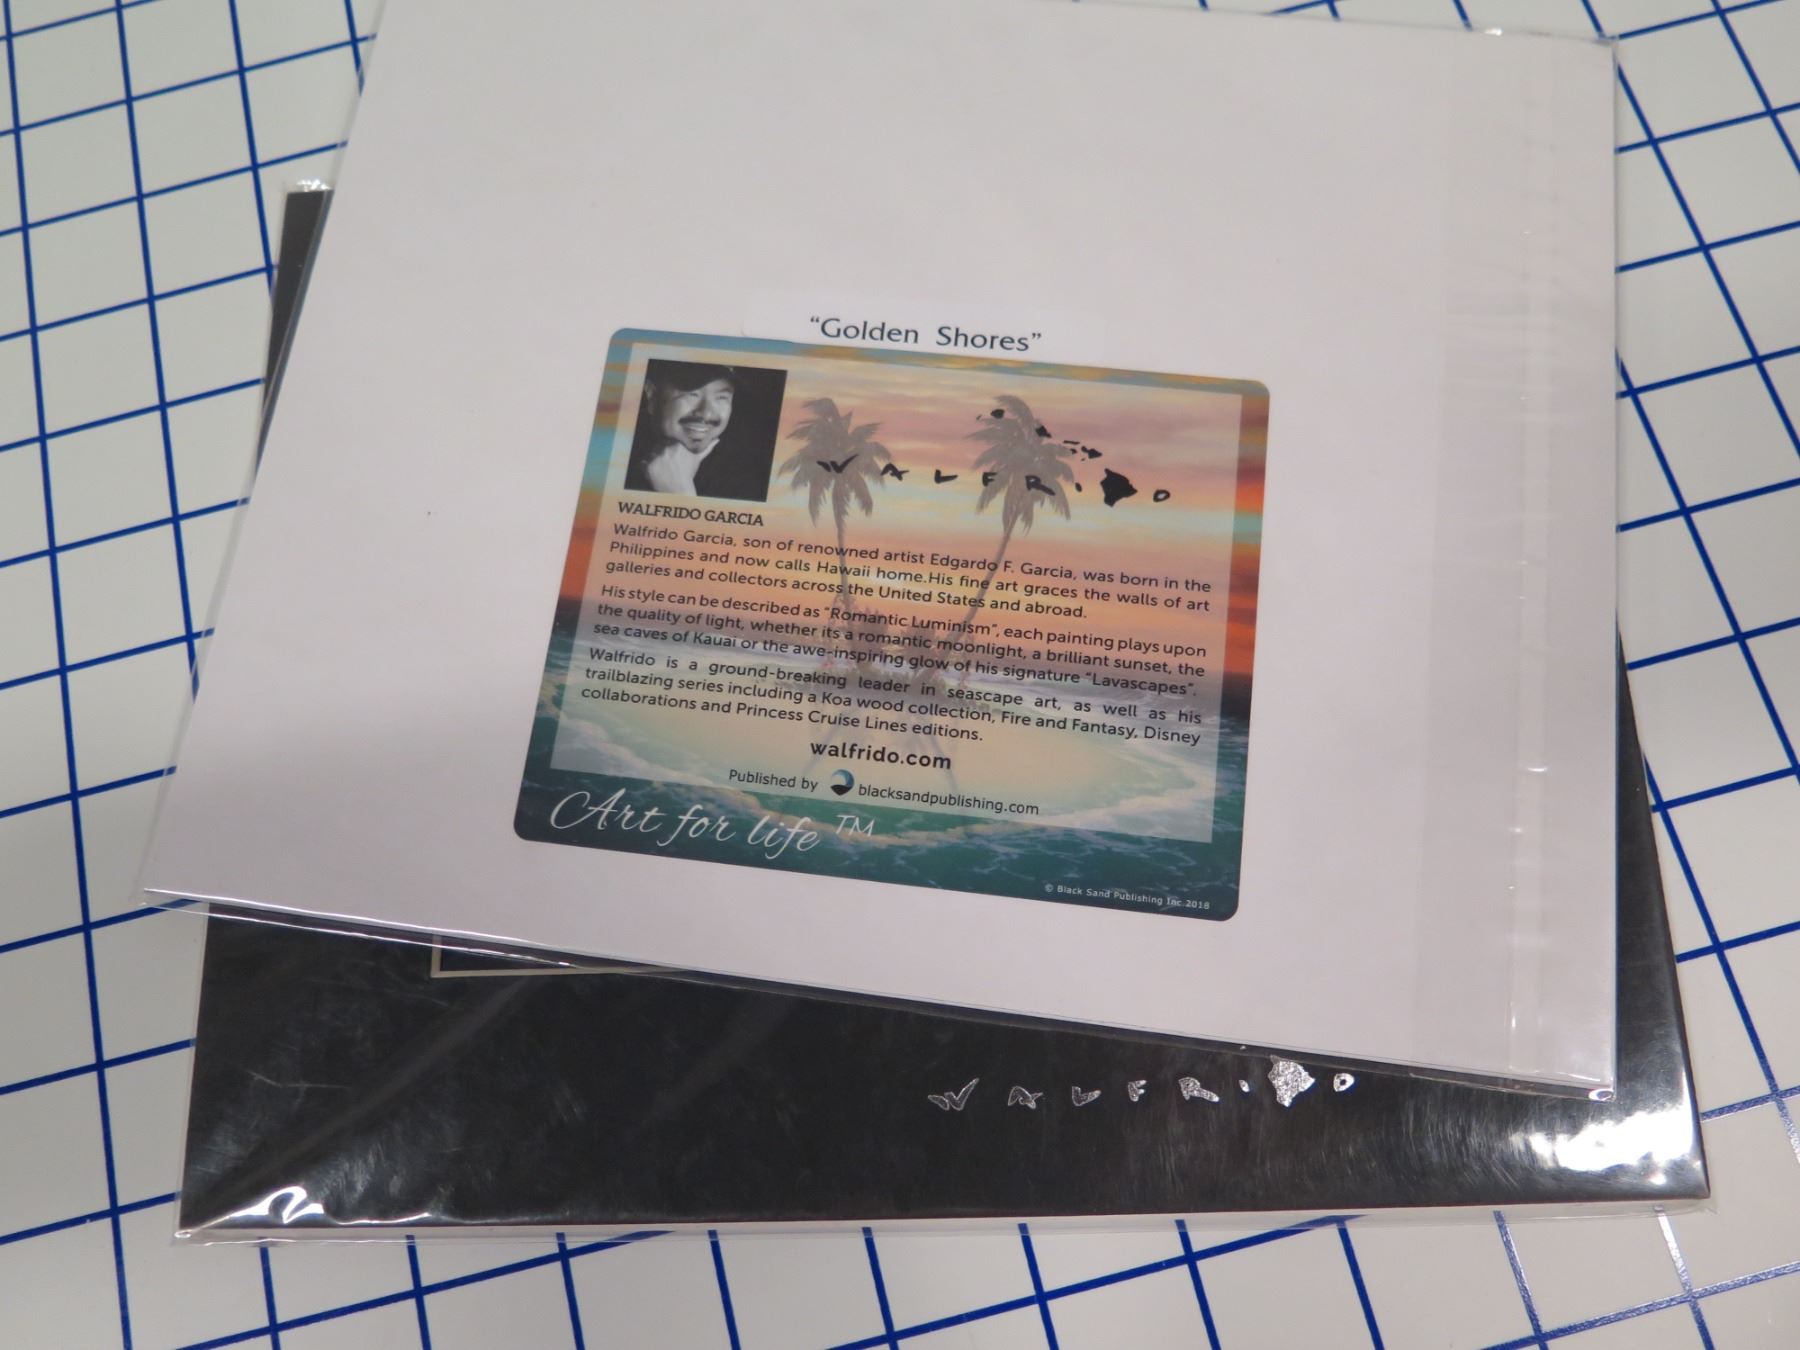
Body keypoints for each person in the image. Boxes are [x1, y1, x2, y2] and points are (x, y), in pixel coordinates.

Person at [625, 362, 745, 497]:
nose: (706, 413)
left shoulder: (745, 477)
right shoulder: (618, 460)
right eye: (691, 394)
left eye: (721, 398)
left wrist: (679, 492)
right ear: (652, 396)